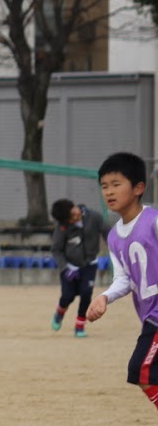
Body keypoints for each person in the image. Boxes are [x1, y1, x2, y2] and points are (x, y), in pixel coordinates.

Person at [86, 151, 158, 412]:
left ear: (139, 187)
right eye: (104, 186)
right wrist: (105, 297)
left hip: (157, 317)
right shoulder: (115, 236)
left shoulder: (153, 221)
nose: (109, 192)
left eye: (116, 184)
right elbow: (123, 279)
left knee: (141, 369)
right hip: (149, 315)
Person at [50, 197, 106, 337]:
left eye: (74, 213)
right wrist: (65, 268)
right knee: (68, 296)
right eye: (70, 219)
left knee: (86, 293)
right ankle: (60, 311)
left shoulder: (94, 217)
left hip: (89, 264)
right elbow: (56, 250)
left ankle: (80, 326)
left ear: (75, 206)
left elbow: (109, 234)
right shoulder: (62, 227)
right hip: (70, 267)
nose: (75, 218)